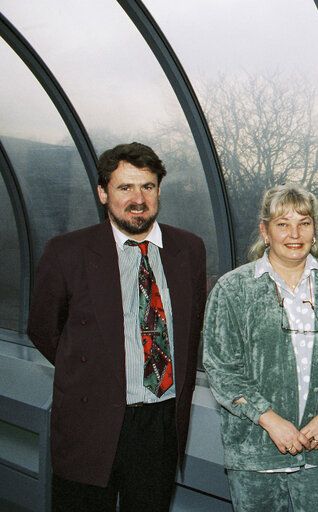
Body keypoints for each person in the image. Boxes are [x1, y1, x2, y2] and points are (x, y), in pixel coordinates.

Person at [27, 142, 208, 511]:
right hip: (90, 419)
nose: (137, 198)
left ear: (159, 191)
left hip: (160, 424)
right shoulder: (67, 251)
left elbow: (190, 330)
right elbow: (44, 330)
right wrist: (92, 369)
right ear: (102, 192)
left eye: (148, 187)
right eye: (125, 187)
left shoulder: (189, 249)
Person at [202, 184, 318, 512]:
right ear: (265, 231)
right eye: (283, 223)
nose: (294, 233)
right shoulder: (233, 290)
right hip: (256, 455)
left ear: (314, 230)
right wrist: (269, 420)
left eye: (304, 222)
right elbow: (222, 368)